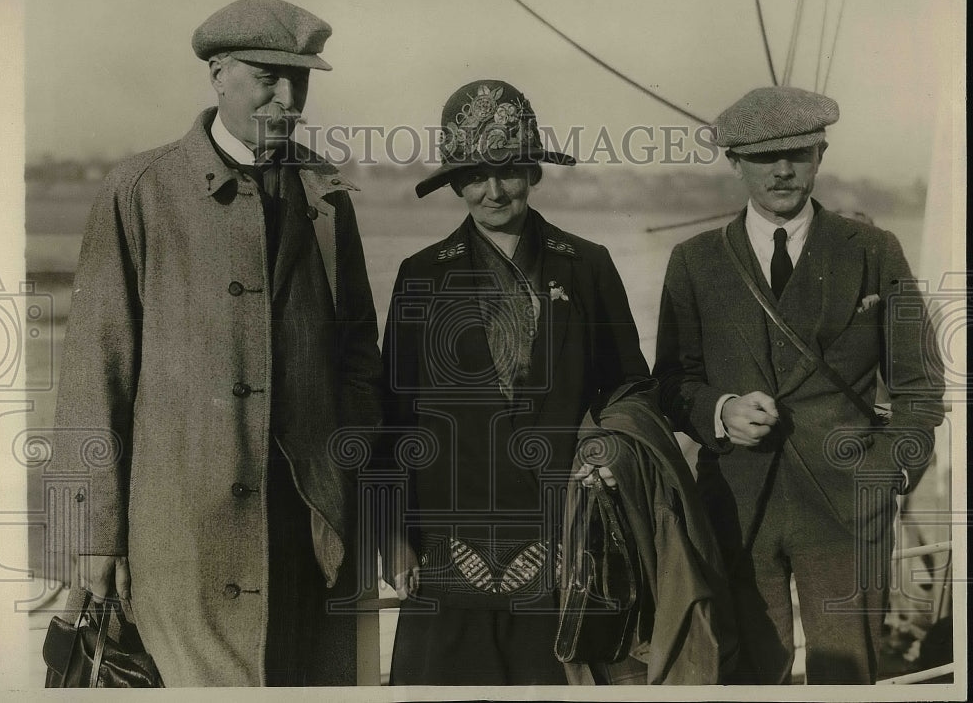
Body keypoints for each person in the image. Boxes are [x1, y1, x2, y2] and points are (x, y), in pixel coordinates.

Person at [50, 0, 383, 686]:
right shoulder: (139, 193)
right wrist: (91, 538)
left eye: (302, 80)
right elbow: (93, 375)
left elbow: (358, 355)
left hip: (309, 538)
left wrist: (344, 476)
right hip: (176, 542)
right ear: (219, 74)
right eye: (268, 75)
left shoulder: (326, 195)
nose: (288, 98)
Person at [653, 86, 945, 684]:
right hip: (736, 511)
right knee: (749, 682)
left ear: (820, 154)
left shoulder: (874, 251)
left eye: (799, 152)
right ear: (734, 162)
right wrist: (721, 408)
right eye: (764, 157)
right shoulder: (695, 261)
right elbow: (670, 383)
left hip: (847, 513)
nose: (783, 170)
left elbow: (920, 390)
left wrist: (886, 475)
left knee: (850, 678)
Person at [378, 79, 654, 685]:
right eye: (474, 176)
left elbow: (631, 389)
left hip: (564, 535)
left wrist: (607, 453)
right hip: (449, 542)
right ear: (455, 183)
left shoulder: (588, 265)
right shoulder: (420, 274)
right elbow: (393, 418)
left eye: (508, 171)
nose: (493, 191)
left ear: (532, 171)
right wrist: (392, 537)